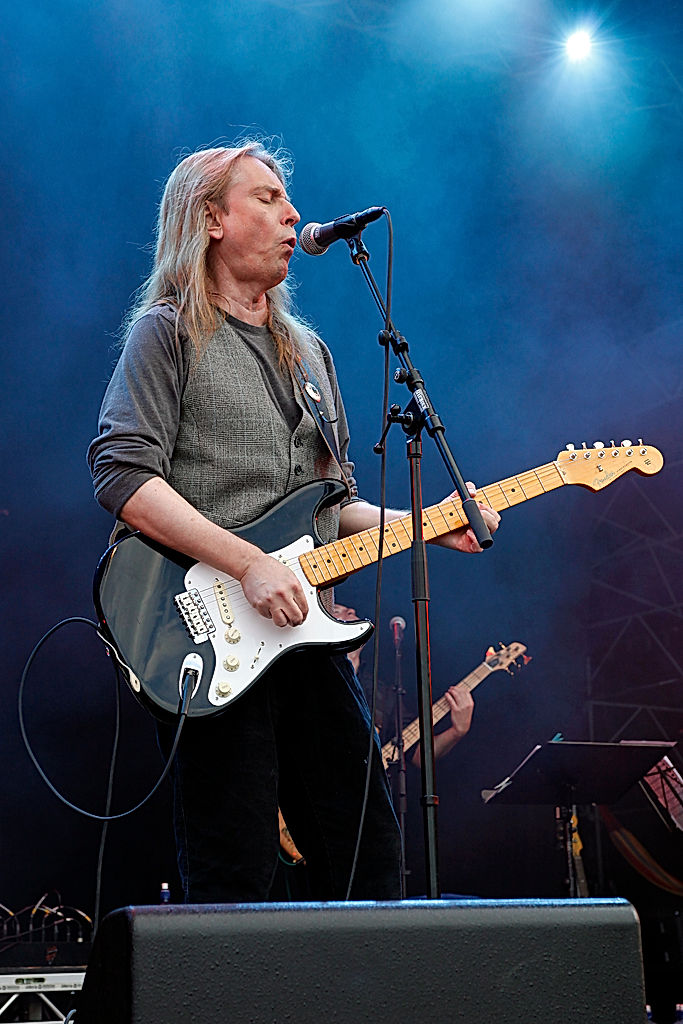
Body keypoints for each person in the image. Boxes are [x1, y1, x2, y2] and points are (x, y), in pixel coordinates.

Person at [87, 140, 500, 904]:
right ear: (210, 219)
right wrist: (245, 562)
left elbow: (332, 507)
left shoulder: (308, 353)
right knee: (234, 860)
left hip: (299, 628)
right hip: (203, 627)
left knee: (368, 851)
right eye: (268, 198)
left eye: (287, 200)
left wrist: (429, 522)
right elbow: (122, 474)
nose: (293, 214)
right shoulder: (168, 331)